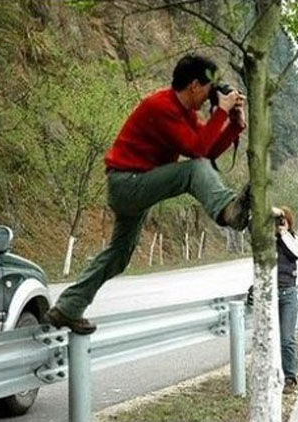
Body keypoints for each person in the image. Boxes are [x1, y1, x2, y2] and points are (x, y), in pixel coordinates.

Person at [45, 54, 250, 335]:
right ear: (193, 85)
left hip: (134, 184)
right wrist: (220, 113)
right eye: (208, 89)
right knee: (194, 169)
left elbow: (209, 147)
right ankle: (228, 210)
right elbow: (198, 152)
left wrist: (234, 125)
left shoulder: (186, 113)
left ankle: (67, 307)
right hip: (128, 183)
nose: (208, 98)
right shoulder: (161, 106)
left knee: (119, 256)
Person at [273, 206, 298, 394]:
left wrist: (284, 233)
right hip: (270, 294)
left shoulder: (293, 239)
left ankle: (290, 377)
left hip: (288, 294)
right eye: (277, 220)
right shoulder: (268, 240)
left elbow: (297, 253)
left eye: (282, 220)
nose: (279, 224)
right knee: (270, 339)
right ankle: (274, 375)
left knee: (286, 339)